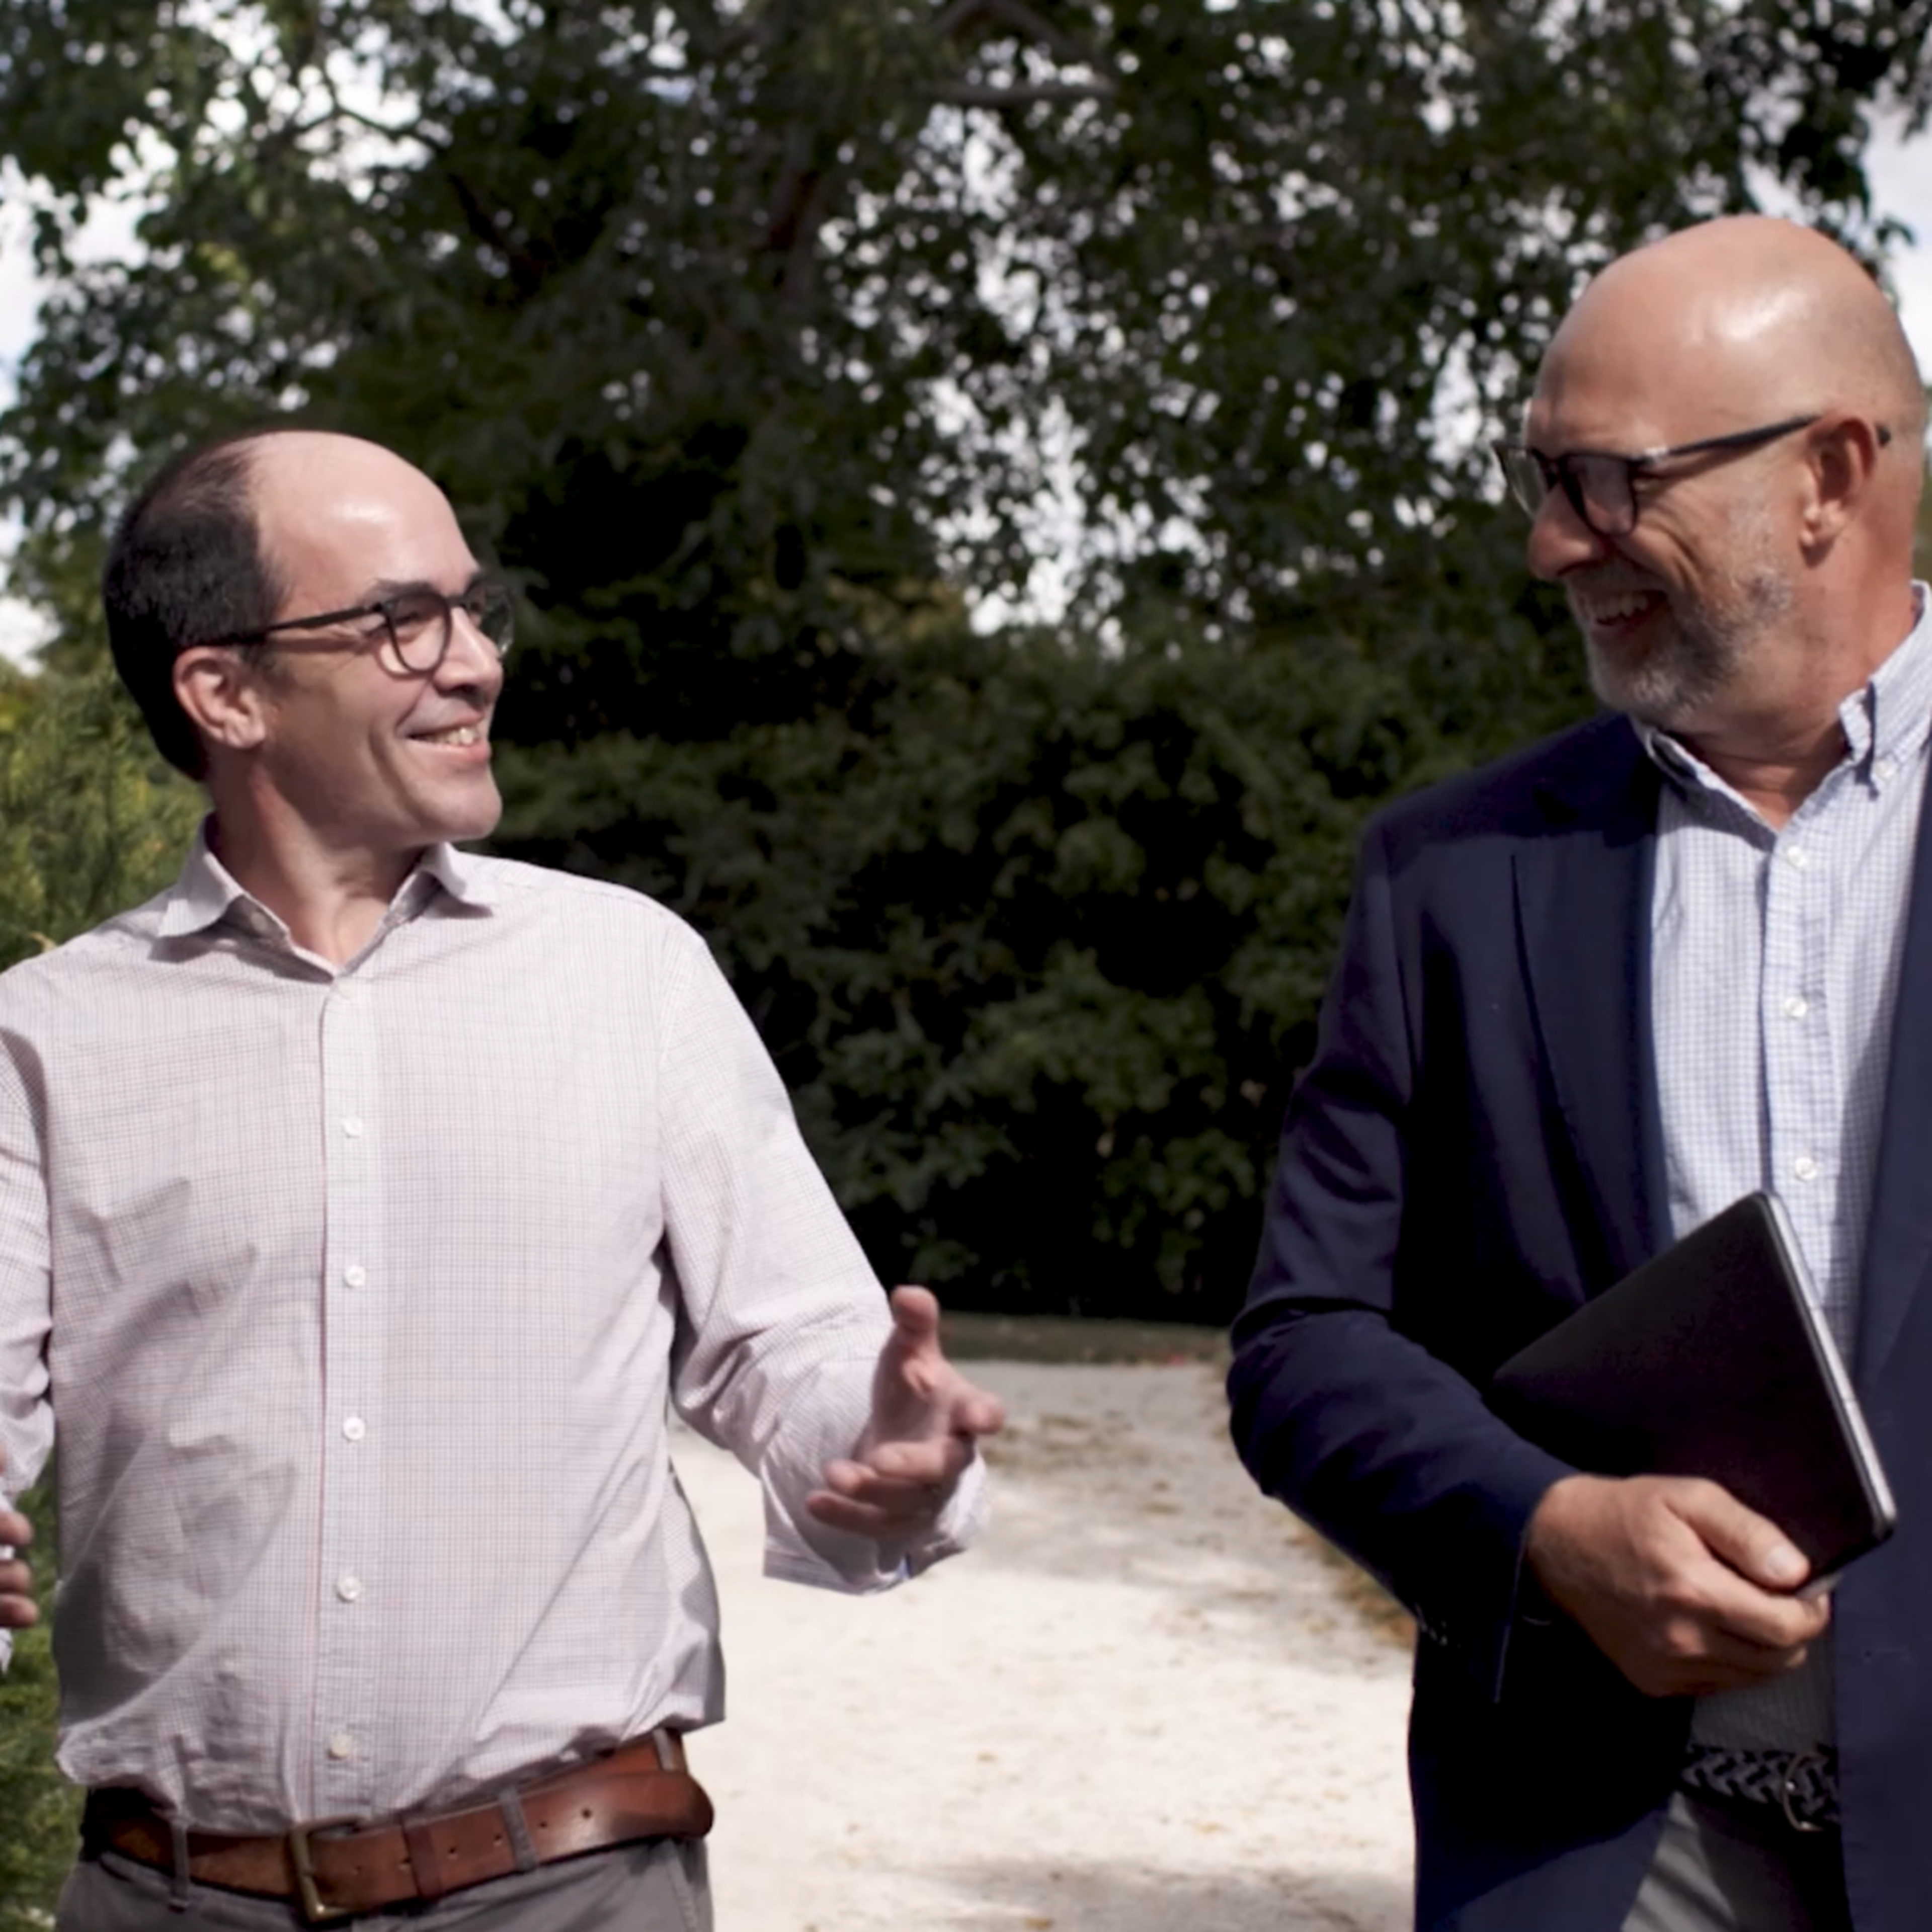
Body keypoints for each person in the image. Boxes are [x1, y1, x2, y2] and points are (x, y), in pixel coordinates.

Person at [0, 424, 1005, 1930]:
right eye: (403, 621)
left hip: (573, 1885)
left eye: (475, 612)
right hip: (166, 1897)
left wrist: (877, 1450)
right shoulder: (48, 1039)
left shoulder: (629, 975)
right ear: (226, 691)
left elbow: (787, 1341)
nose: (472, 662)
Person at [1229, 214, 1931, 1932]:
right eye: (1542, 481)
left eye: (1611, 482)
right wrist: (1545, 1528)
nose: (1555, 545)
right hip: (1607, 1849)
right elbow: (1306, 1345)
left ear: (1829, 474)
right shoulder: (1448, 874)